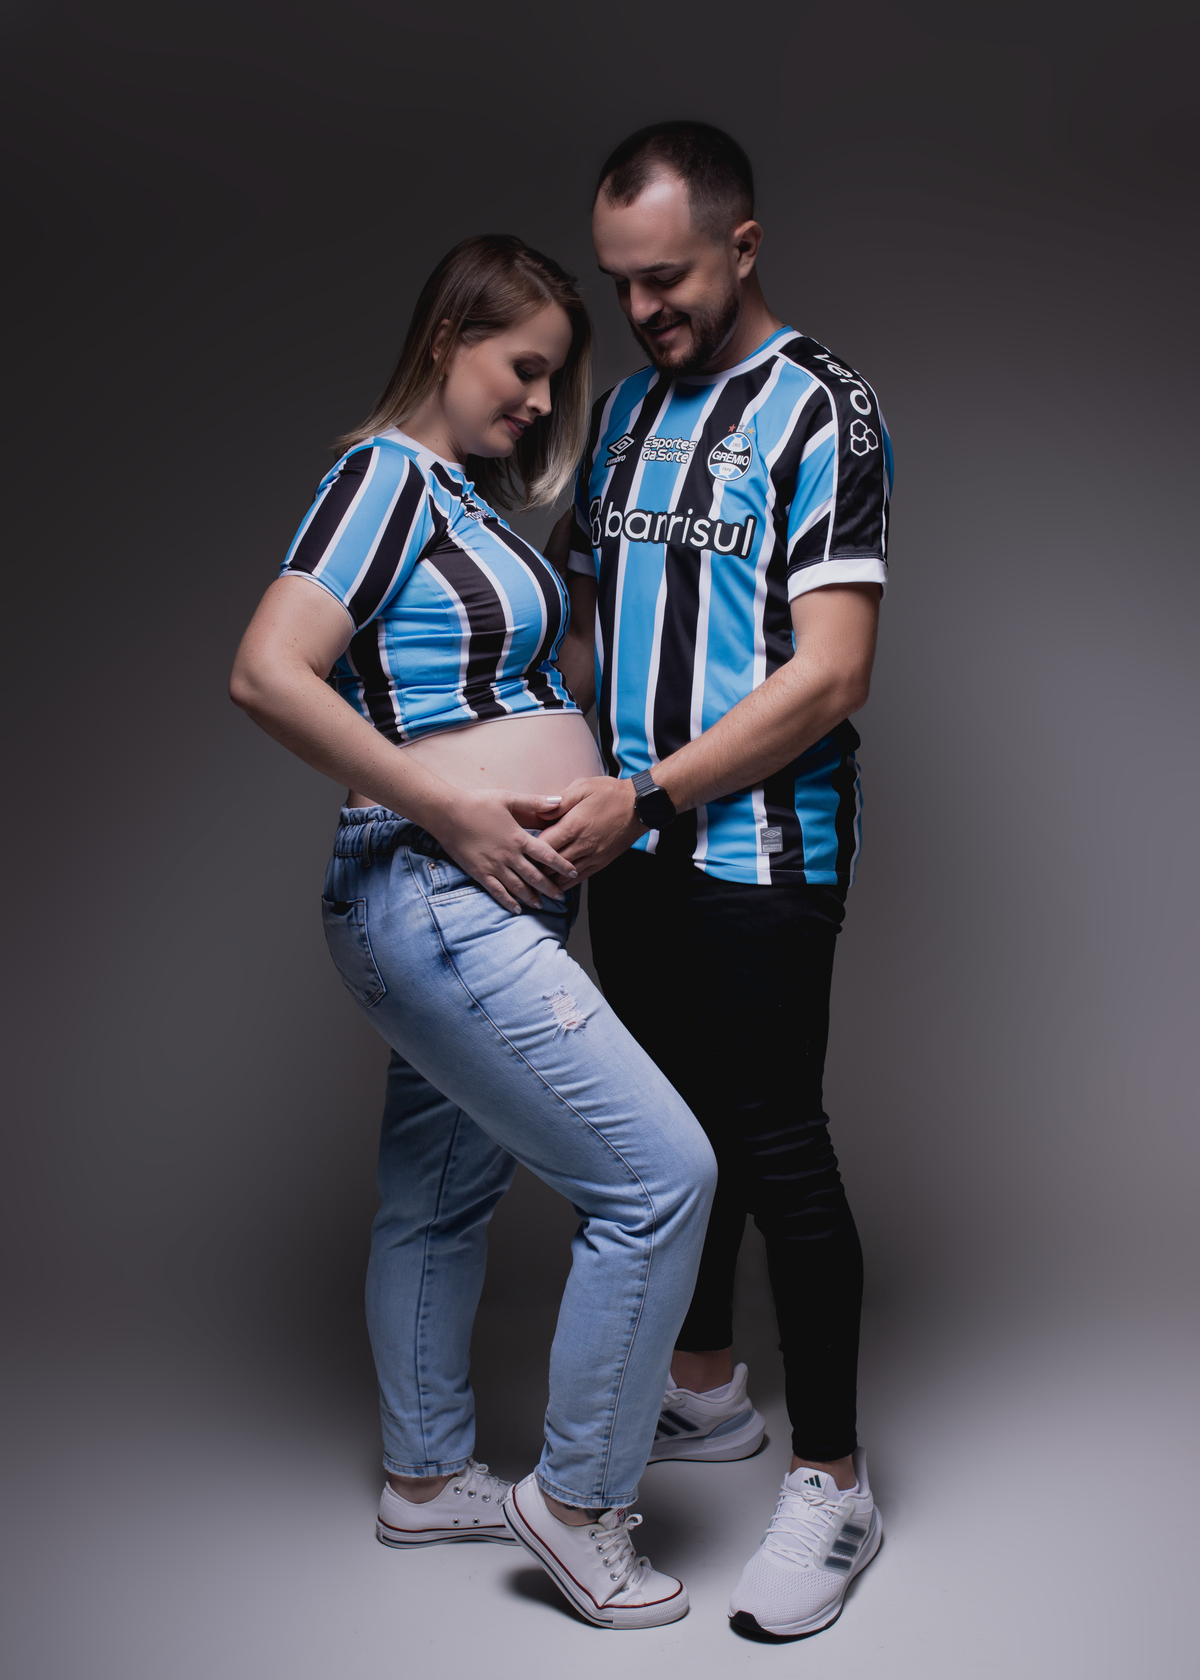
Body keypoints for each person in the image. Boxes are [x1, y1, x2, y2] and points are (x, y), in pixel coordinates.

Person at [229, 233, 717, 1631]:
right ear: (449, 338)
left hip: (493, 897)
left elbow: (518, 683)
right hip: (437, 894)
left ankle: (427, 1474)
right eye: (525, 367)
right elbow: (267, 670)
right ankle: (578, 1507)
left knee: (441, 1196)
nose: (539, 402)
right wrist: (451, 807)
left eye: (557, 381)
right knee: (660, 1178)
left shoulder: (466, 501)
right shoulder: (382, 478)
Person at [543, 124, 892, 1641]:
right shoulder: (626, 410)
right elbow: (587, 611)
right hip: (629, 839)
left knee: (773, 1139)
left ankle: (836, 1483)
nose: (642, 311)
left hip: (758, 849)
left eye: (668, 278)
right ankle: (702, 1389)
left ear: (743, 247)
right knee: (670, 1133)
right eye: (620, 283)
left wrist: (651, 791)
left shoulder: (825, 406)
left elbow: (834, 674)